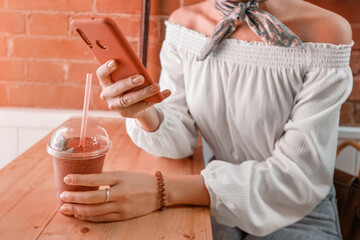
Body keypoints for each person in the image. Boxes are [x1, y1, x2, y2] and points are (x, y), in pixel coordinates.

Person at [58, 0, 353, 239]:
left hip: (295, 208)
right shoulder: (184, 25)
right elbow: (180, 140)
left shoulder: (326, 32)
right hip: (210, 194)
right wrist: (142, 111)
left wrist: (161, 191)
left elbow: (297, 178)